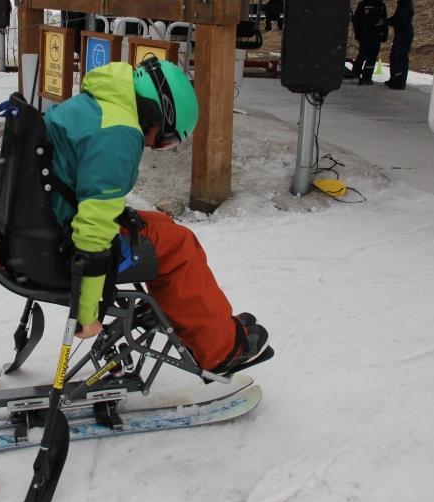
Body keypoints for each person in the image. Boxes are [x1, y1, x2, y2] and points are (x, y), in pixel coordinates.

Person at [42, 59, 273, 377]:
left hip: (49, 222)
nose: (154, 146)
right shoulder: (118, 133)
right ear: (155, 111)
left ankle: (197, 319)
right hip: (63, 240)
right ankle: (222, 350)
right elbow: (93, 233)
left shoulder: (98, 105)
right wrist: (87, 311)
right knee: (179, 248)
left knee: (163, 225)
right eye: (165, 140)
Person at [351, 0, 389, 85]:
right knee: (362, 55)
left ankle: (367, 77)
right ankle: (355, 75)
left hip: (376, 35)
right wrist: (358, 34)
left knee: (372, 57)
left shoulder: (381, 5)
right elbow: (357, 20)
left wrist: (384, 34)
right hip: (365, 35)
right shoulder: (363, 4)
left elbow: (384, 21)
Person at [385, 0, 414, 89]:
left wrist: (386, 22)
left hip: (403, 34)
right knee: (395, 56)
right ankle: (395, 79)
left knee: (399, 56)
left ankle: (399, 81)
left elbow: (400, 20)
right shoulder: (403, 3)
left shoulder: (405, 3)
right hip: (402, 34)